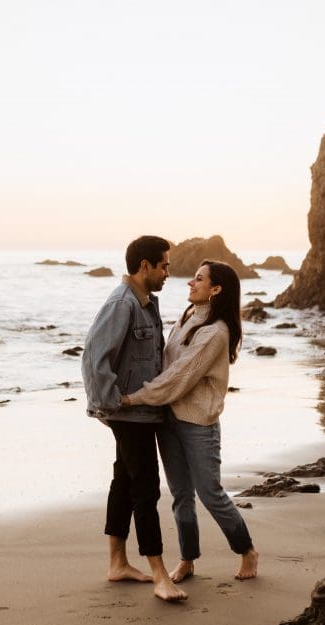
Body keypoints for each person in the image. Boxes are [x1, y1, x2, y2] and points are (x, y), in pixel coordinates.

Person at [120, 259, 258, 582]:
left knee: (210, 492)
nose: (190, 283)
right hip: (169, 419)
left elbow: (179, 377)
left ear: (215, 289)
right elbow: (164, 364)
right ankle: (187, 559)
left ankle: (247, 550)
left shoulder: (216, 333)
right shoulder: (186, 317)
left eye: (199, 279)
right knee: (181, 493)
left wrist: (134, 397)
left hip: (199, 424)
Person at [81, 235, 187, 602]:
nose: (168, 272)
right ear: (145, 266)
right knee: (145, 488)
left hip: (142, 411)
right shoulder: (122, 304)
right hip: (130, 413)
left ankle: (117, 563)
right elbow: (93, 357)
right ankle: (159, 573)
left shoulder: (145, 304)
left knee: (124, 481)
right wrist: (110, 406)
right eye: (164, 265)